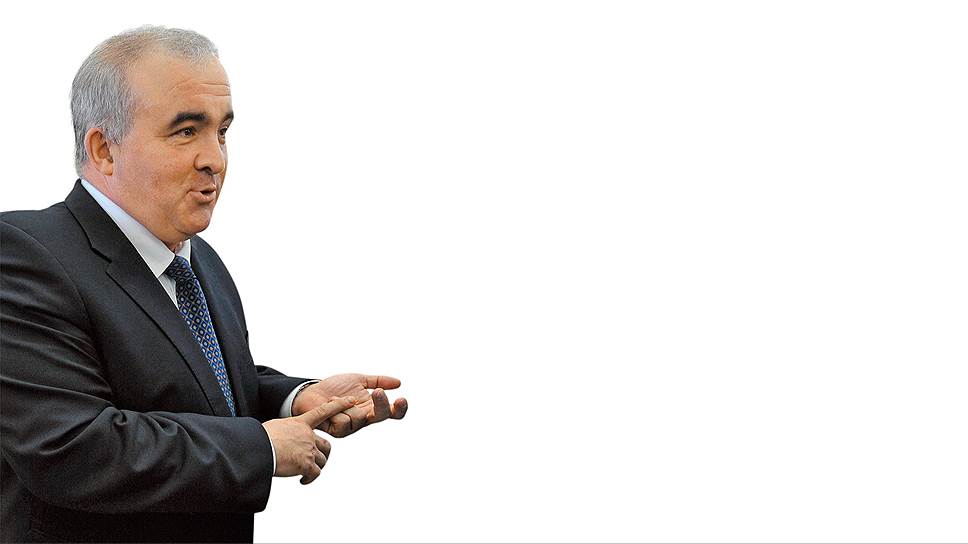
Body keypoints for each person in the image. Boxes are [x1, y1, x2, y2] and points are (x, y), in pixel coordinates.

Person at [0, 25, 407, 543]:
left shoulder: (197, 260)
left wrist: (298, 399)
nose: (215, 158)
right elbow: (72, 447)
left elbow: (198, 385)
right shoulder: (25, 255)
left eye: (222, 131)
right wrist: (261, 448)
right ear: (104, 150)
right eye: (186, 131)